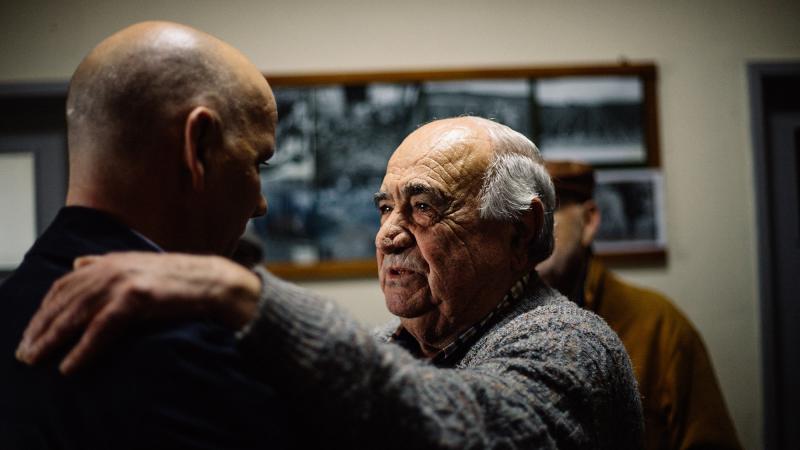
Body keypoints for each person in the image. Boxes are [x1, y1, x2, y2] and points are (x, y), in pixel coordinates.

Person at [17, 117, 645, 449]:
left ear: (518, 231)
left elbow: (475, 432)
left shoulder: (569, 344)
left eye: (423, 207)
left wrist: (248, 297)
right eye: (384, 208)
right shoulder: (388, 344)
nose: (389, 234)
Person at [0, 21, 290, 449]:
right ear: (199, 144)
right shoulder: (188, 350)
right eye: (256, 164)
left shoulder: (12, 306)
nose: (260, 204)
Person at [537, 160, 743, 450]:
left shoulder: (660, 325)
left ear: (590, 221)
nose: (532, 226)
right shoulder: (487, 317)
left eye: (547, 210)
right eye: (519, 214)